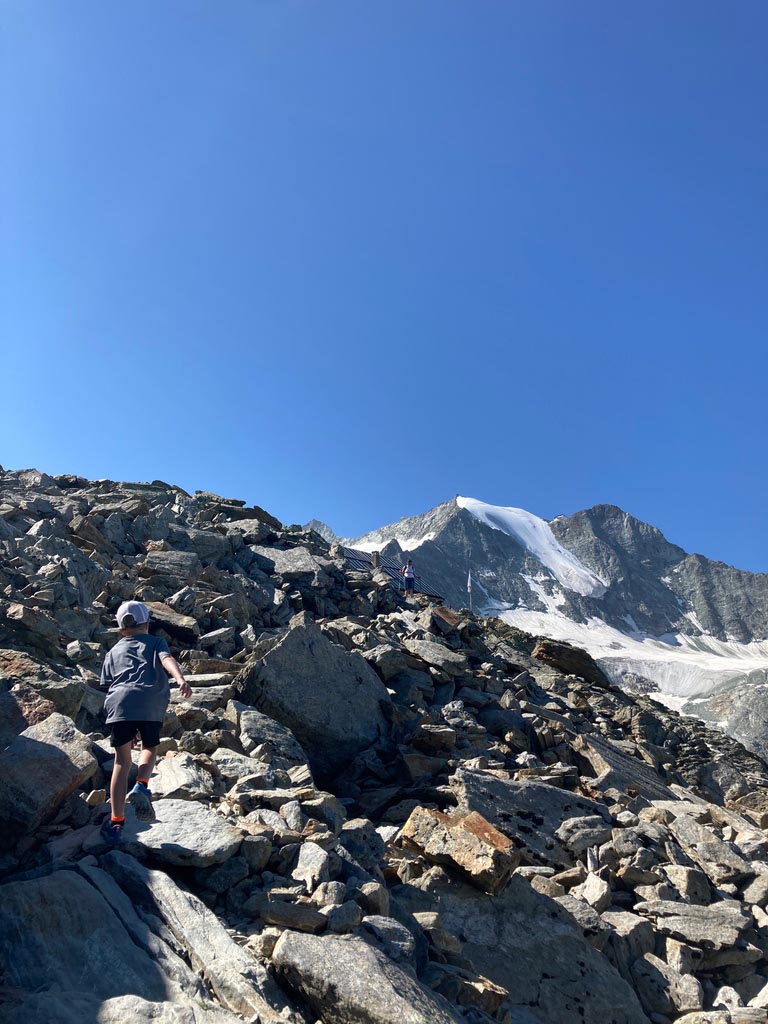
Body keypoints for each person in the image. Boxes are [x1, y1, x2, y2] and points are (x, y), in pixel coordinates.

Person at [99, 600, 192, 843]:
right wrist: (180, 678)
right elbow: (166, 660)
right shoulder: (156, 642)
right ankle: (141, 784)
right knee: (149, 748)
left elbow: (108, 684)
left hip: (119, 704)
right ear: (147, 624)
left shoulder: (113, 651)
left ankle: (116, 821)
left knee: (121, 762)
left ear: (121, 630)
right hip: (150, 702)